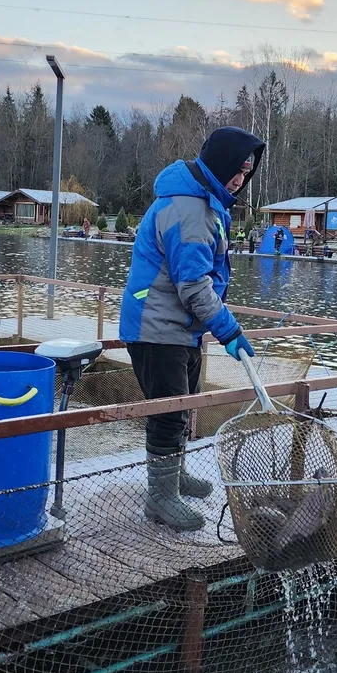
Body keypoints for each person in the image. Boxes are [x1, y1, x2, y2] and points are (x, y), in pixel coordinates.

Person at [120, 126, 265, 531]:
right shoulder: (190, 209)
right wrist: (229, 331)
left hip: (180, 329)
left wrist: (213, 328)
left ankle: (175, 476)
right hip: (156, 326)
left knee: (184, 404)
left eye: (247, 172)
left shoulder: (207, 203)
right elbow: (193, 285)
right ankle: (160, 497)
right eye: (236, 170)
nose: (240, 179)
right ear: (218, 164)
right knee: (168, 413)